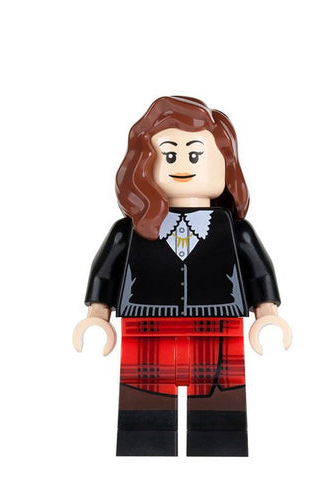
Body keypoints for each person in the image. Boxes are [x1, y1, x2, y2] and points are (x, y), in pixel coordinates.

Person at [73, 96, 292, 457]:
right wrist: (97, 316)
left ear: (225, 164)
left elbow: (258, 271)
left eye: (195, 155)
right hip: (147, 320)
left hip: (217, 320)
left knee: (219, 401)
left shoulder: (235, 230)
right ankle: (145, 449)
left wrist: (267, 314)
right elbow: (106, 272)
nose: (183, 165)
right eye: (169, 156)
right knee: (144, 401)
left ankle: (218, 451)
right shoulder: (129, 231)